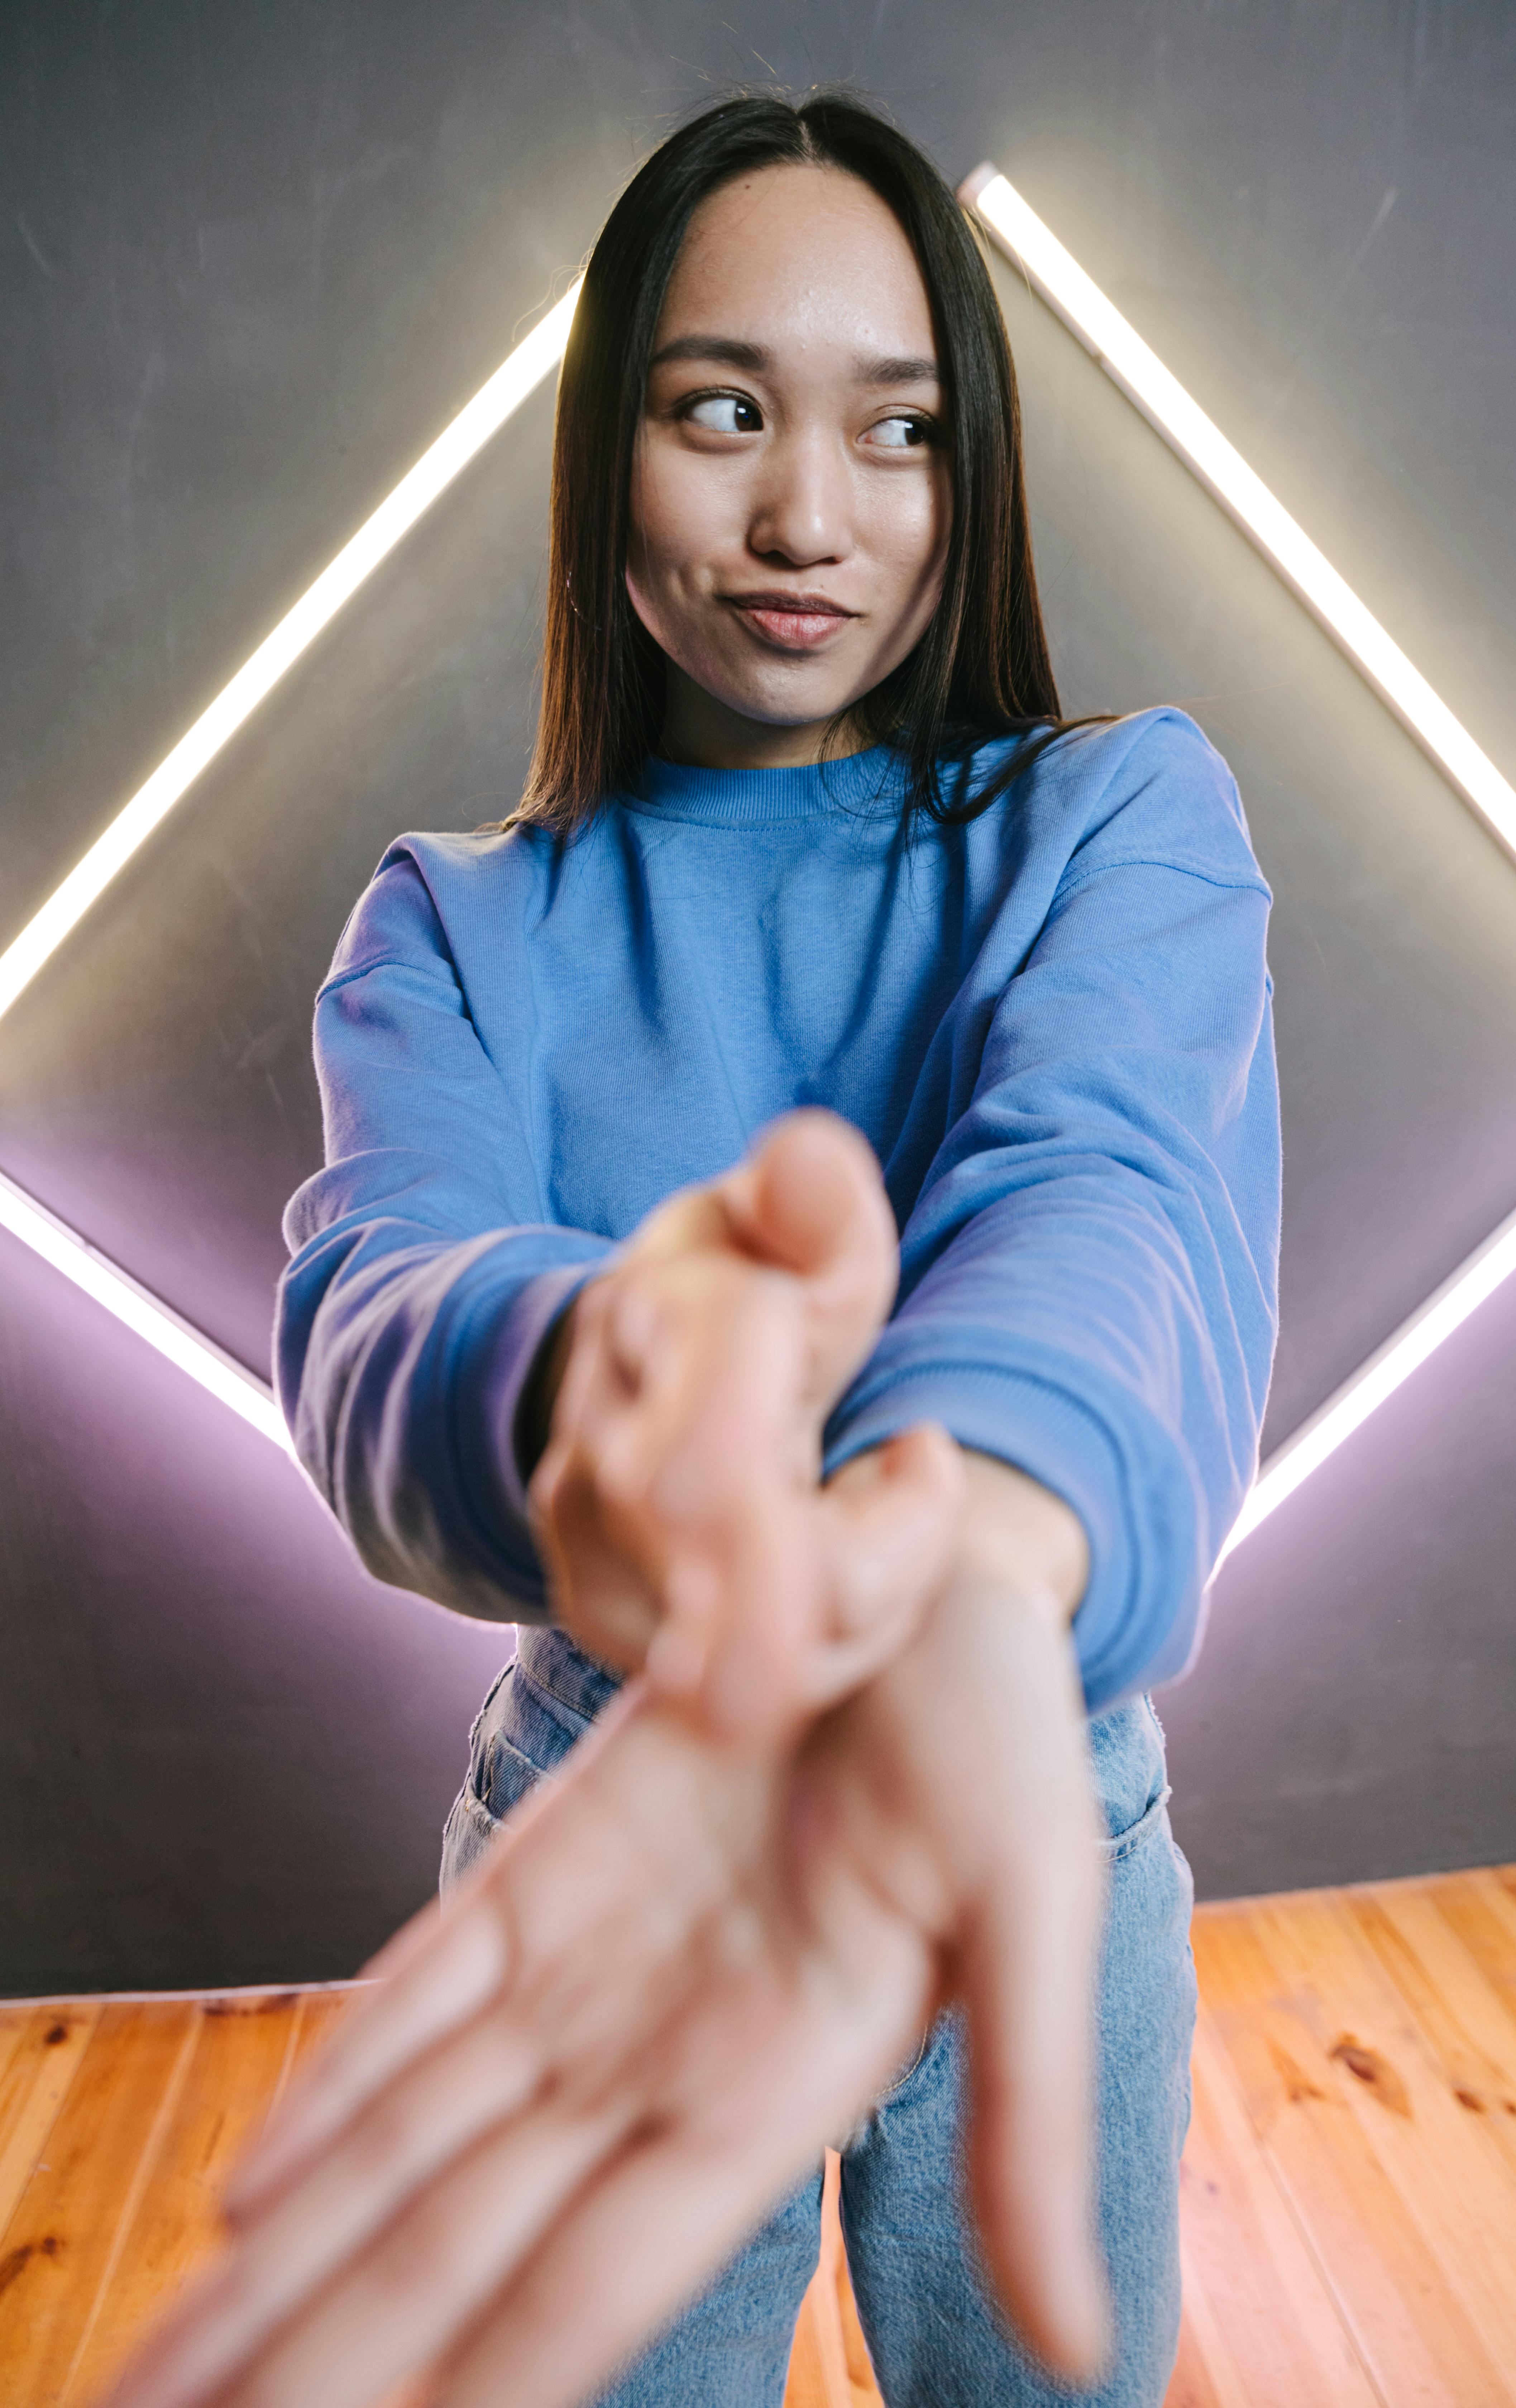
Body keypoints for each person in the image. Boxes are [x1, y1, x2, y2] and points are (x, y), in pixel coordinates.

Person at [109, 89, 1279, 2408]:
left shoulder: (1122, 815)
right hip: (603, 1813)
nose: (806, 517)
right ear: (604, 451)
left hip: (1029, 1770)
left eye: (902, 428)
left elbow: (1107, 1194)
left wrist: (946, 1550)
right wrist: (596, 1380)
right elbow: (379, 1297)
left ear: (980, 467)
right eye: (720, 409)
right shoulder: (451, 925)